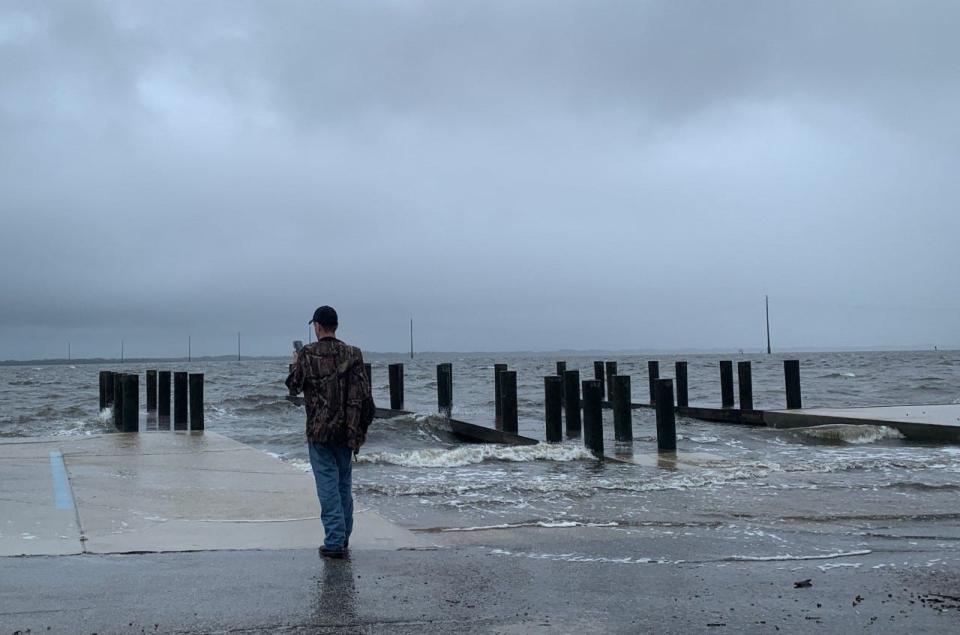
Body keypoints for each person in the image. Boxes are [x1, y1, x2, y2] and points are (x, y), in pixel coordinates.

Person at [286, 305, 374, 558]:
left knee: (327, 485)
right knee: (343, 484)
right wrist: (360, 429)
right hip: (347, 429)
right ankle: (343, 536)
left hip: (320, 430)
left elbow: (294, 387)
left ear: (317, 326)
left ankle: (334, 540)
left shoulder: (307, 353)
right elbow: (365, 395)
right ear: (336, 326)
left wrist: (295, 364)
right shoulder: (353, 353)